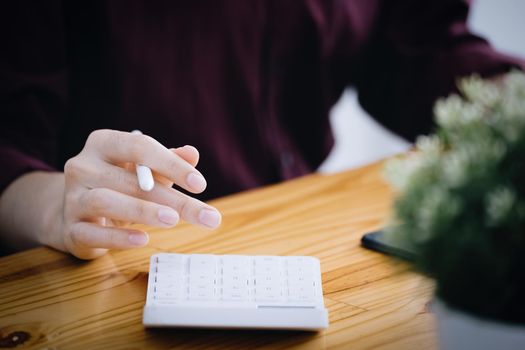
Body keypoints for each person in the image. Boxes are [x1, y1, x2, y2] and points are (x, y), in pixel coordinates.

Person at [0, 0, 523, 259]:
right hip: (116, 262)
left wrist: (511, 103)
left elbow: (417, 48)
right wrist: (56, 208)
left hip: (311, 238)